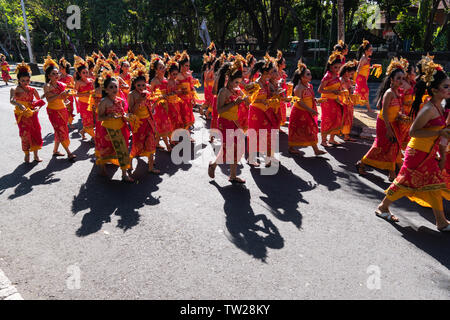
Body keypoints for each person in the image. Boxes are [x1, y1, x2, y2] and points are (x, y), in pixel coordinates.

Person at [375, 61, 450, 232]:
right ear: (435, 89)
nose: (449, 89)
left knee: (434, 185)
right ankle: (382, 207)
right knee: (404, 183)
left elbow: (437, 131)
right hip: (417, 152)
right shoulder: (429, 108)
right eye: (446, 86)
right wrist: (439, 134)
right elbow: (414, 132)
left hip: (428, 153)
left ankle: (441, 221)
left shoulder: (439, 106)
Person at [356, 58, 409, 181]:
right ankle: (363, 163)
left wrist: (401, 117)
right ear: (392, 80)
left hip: (394, 124)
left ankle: (393, 173)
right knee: (380, 147)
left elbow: (396, 110)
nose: (401, 81)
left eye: (403, 78)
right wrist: (389, 129)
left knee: (394, 147)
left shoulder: (398, 92)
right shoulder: (389, 93)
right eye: (398, 78)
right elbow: (384, 113)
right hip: (385, 124)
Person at [208, 60, 248, 183]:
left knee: (238, 148)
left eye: (239, 83)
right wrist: (233, 103)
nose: (237, 85)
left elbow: (247, 101)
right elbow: (219, 109)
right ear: (228, 79)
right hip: (225, 123)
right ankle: (214, 165)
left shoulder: (236, 90)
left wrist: (246, 99)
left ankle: (233, 176)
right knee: (228, 148)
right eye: (236, 82)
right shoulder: (223, 91)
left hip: (235, 122)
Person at [95, 70, 133, 182]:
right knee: (106, 150)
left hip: (120, 128)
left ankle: (124, 174)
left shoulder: (120, 100)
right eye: (111, 87)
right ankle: (102, 167)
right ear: (106, 90)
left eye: (115, 86)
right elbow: (99, 117)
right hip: (108, 130)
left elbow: (123, 114)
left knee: (123, 151)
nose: (114, 89)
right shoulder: (103, 102)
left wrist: (128, 117)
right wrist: (109, 116)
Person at [288, 59, 326, 156]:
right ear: (301, 77)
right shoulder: (298, 88)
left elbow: (309, 98)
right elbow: (299, 101)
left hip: (308, 111)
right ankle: (291, 147)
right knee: (298, 130)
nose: (310, 76)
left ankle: (316, 150)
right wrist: (310, 110)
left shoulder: (309, 86)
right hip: (300, 112)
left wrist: (317, 100)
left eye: (310, 74)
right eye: (308, 74)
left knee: (310, 130)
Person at [247, 54, 280, 167]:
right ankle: (251, 158)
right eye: (271, 72)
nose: (272, 74)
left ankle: (269, 158)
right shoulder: (255, 84)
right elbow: (250, 100)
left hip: (266, 112)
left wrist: (276, 94)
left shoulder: (267, 84)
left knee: (268, 133)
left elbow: (269, 96)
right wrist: (262, 102)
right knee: (255, 135)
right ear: (265, 72)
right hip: (256, 112)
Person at [127, 63, 160, 174]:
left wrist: (155, 102)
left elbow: (150, 106)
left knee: (150, 142)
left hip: (148, 121)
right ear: (134, 84)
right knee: (137, 144)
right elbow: (131, 111)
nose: (141, 88)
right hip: (138, 123)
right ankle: (129, 162)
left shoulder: (147, 93)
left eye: (143, 85)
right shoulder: (131, 95)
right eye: (139, 85)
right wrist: (140, 101)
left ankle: (151, 167)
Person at [9, 62, 44, 162]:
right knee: (24, 134)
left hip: (32, 114)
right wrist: (19, 105)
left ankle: (36, 155)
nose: (25, 82)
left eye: (27, 80)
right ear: (19, 80)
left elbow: (39, 102)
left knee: (36, 132)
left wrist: (37, 109)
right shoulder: (14, 89)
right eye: (23, 80)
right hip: (21, 114)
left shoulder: (33, 90)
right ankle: (26, 153)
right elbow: (11, 100)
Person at [43, 56, 76, 160]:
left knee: (60, 130)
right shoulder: (47, 86)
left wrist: (66, 98)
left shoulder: (61, 84)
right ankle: (69, 153)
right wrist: (60, 95)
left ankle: (55, 150)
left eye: (57, 73)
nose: (56, 75)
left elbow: (64, 96)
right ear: (49, 76)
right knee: (60, 130)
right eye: (54, 74)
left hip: (62, 109)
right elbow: (49, 99)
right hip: (53, 111)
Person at [318, 51, 344, 146]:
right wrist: (333, 92)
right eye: (335, 67)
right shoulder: (327, 76)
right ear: (330, 66)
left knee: (337, 118)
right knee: (327, 119)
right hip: (327, 101)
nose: (337, 69)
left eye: (339, 67)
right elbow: (320, 90)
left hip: (335, 100)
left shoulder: (336, 75)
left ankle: (331, 139)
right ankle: (323, 140)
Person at [148, 57, 173, 151]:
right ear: (156, 70)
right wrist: (155, 103)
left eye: (163, 67)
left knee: (165, 125)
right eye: (160, 68)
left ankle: (156, 143)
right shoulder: (154, 81)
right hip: (158, 106)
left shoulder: (166, 79)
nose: (163, 69)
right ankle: (168, 146)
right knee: (162, 125)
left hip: (166, 105)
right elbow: (150, 95)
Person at [354, 40, 379, 112]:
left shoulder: (366, 58)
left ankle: (351, 106)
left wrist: (372, 67)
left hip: (363, 78)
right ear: (366, 50)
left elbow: (364, 68)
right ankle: (369, 109)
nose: (372, 51)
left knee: (359, 93)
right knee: (365, 92)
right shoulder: (363, 58)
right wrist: (354, 79)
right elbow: (358, 69)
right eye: (370, 50)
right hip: (361, 78)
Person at [74, 55, 95, 140]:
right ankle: (94, 137)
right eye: (83, 73)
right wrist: (84, 95)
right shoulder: (78, 82)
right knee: (87, 121)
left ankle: (83, 131)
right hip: (83, 104)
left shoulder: (91, 80)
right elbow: (74, 94)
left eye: (86, 72)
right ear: (79, 74)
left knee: (93, 121)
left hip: (92, 103)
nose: (86, 74)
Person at [338, 60, 358, 141]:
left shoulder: (348, 80)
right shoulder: (341, 80)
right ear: (346, 72)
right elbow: (339, 91)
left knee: (349, 119)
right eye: (351, 74)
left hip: (349, 101)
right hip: (344, 102)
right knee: (345, 119)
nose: (352, 75)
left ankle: (346, 135)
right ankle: (345, 135)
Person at [58, 57, 75, 126]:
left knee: (70, 108)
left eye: (61, 68)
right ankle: (65, 120)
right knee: (63, 109)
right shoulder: (58, 77)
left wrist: (68, 89)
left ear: (64, 68)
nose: (59, 69)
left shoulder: (70, 77)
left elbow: (73, 87)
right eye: (59, 68)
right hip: (62, 95)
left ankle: (70, 121)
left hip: (69, 95)